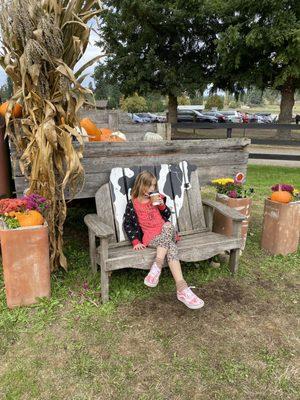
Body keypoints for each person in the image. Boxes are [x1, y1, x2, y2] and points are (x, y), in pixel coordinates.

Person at [123, 170, 204, 310]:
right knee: (171, 246)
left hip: (166, 231)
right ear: (140, 185)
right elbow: (128, 223)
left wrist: (161, 205)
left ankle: (157, 267)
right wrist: (135, 241)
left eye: (154, 186)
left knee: (167, 225)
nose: (152, 189)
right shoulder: (133, 204)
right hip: (151, 237)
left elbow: (167, 215)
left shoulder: (158, 197)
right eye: (148, 186)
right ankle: (182, 289)